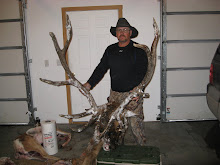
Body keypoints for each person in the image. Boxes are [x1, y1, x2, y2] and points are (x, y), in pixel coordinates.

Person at [83, 18, 148, 145]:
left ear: (130, 32)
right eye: (119, 30)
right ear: (116, 33)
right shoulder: (110, 50)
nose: (122, 32)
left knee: (136, 125)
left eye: (125, 30)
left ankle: (143, 149)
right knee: (116, 127)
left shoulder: (138, 50)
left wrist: (139, 90)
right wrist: (89, 83)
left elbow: (143, 73)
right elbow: (101, 68)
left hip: (132, 95)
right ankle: (117, 150)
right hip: (115, 95)